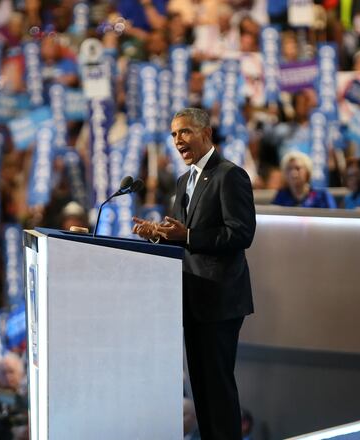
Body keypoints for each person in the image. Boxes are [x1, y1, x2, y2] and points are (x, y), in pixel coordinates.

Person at [132, 107, 255, 439]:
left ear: (206, 133)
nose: (178, 140)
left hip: (220, 298)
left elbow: (241, 234)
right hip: (191, 297)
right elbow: (181, 233)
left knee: (218, 388)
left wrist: (185, 236)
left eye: (184, 132)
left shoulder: (230, 175)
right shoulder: (184, 180)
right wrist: (157, 233)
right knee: (200, 389)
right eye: (173, 134)